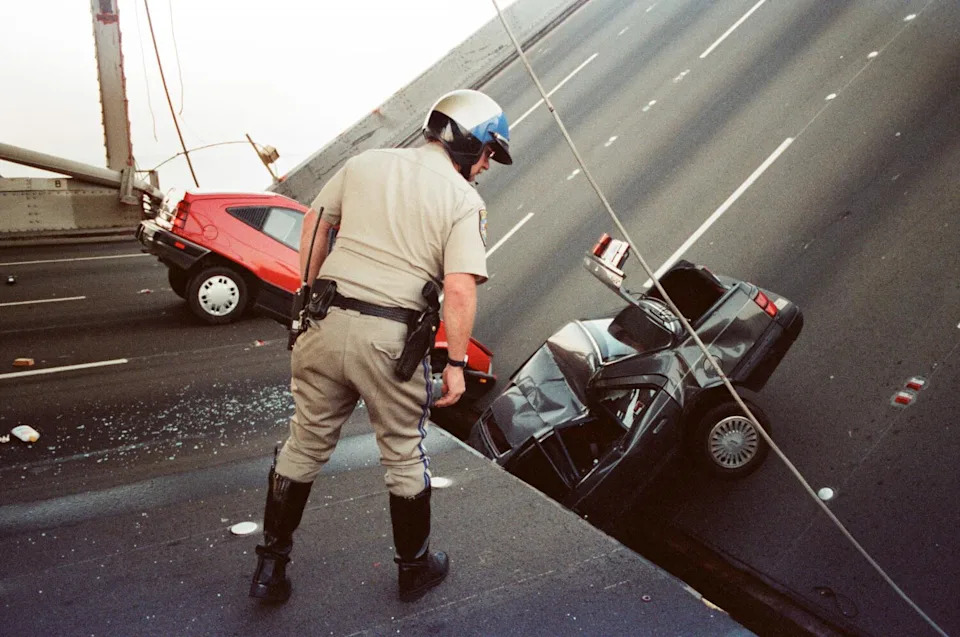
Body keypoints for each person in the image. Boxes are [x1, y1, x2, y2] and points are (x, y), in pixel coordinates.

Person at [249, 89, 513, 604]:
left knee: (303, 446)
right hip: (390, 342)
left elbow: (314, 225)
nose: (485, 166)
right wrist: (456, 364)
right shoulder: (464, 201)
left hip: (325, 324)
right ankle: (413, 570)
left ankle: (269, 569)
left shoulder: (365, 162)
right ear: (467, 141)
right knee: (403, 454)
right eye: (486, 153)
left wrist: (305, 301)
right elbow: (459, 288)